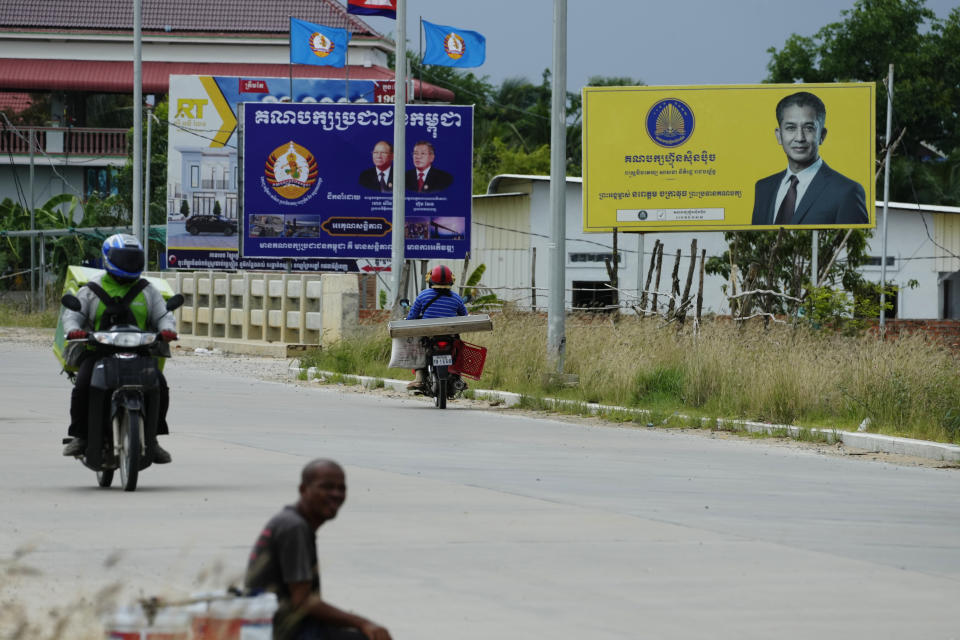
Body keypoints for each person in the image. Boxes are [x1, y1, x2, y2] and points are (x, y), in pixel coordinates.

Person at [245, 459, 393, 640]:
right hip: (282, 631)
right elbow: (303, 602)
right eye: (327, 487)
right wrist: (363, 622)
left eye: (341, 488)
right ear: (303, 489)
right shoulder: (294, 527)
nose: (336, 494)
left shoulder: (293, 522)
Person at [61, 234, 177, 462]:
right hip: (98, 352)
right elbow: (73, 314)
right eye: (124, 257)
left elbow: (164, 314)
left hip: (139, 351)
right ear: (108, 258)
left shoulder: (147, 290)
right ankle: (80, 436)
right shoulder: (92, 288)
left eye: (134, 258)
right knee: (82, 385)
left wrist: (167, 330)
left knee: (160, 386)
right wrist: (75, 330)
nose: (129, 263)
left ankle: (152, 440)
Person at [751, 91, 868, 226]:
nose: (800, 138)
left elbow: (850, 244)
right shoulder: (763, 188)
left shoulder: (847, 192)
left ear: (822, 135)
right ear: (779, 135)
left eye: (809, 128)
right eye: (790, 128)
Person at [404, 264, 467, 390]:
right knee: (459, 348)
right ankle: (458, 377)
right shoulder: (456, 298)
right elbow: (465, 317)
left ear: (431, 280)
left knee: (417, 347)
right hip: (450, 335)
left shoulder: (423, 295)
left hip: (429, 334)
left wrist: (408, 320)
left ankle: (419, 378)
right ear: (451, 281)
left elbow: (412, 317)